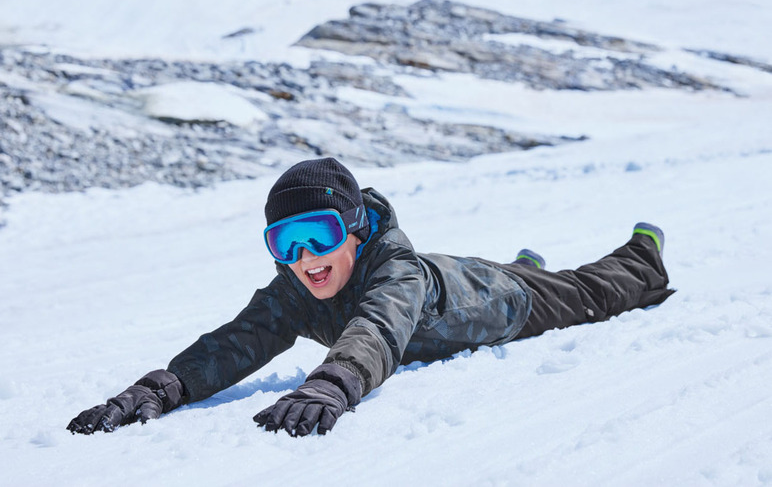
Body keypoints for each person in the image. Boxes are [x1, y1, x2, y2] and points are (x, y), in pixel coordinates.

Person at [67, 157, 674, 437]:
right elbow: (237, 340)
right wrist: (162, 387)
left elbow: (379, 327)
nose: (306, 259)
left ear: (354, 226)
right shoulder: (298, 287)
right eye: (286, 243)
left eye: (321, 235)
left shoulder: (395, 273)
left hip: (503, 303)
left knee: (591, 293)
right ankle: (523, 262)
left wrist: (335, 381)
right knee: (496, 269)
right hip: (457, 275)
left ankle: (640, 254)